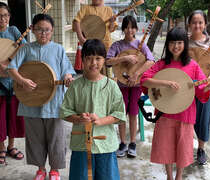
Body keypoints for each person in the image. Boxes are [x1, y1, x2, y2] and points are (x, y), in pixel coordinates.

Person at [140, 27, 210, 180]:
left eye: (179, 42)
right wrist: (165, 83)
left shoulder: (192, 66)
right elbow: (144, 80)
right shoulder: (161, 64)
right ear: (167, 44)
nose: (176, 46)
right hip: (164, 113)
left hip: (185, 114)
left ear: (185, 44)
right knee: (166, 146)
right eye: (172, 43)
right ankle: (169, 177)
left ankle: (178, 176)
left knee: (182, 148)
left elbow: (200, 89)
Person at [7, 14, 75, 180]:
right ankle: (40, 169)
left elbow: (67, 69)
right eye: (39, 30)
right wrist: (22, 81)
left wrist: (67, 76)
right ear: (33, 29)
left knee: (56, 138)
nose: (43, 33)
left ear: (52, 31)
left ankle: (54, 170)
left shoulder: (58, 49)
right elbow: (11, 68)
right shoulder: (25, 48)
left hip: (54, 102)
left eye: (47, 30)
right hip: (31, 102)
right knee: (35, 139)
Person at [60, 39, 126, 180]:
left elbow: (120, 114)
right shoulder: (76, 86)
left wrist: (101, 121)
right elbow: (65, 112)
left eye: (98, 58)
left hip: (105, 144)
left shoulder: (111, 86)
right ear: (82, 60)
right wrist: (79, 119)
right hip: (81, 144)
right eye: (89, 58)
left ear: (104, 60)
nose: (93, 63)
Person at [106, 15, 155, 158]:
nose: (129, 30)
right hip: (121, 84)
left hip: (136, 84)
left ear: (136, 29)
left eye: (132, 27)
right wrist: (124, 58)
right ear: (123, 29)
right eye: (126, 27)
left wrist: (136, 74)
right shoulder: (117, 45)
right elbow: (108, 61)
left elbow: (151, 61)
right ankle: (122, 143)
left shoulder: (141, 45)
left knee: (133, 112)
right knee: (121, 113)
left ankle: (132, 143)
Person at [188, 10, 210, 165]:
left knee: (203, 119)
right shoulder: (185, 42)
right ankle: (186, 147)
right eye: (194, 22)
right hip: (188, 88)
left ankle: (201, 149)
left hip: (206, 87)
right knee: (187, 119)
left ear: (205, 24)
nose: (197, 25)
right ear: (189, 24)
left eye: (200, 22)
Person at [0, 2, 26, 165]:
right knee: (0, 119)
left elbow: (23, 49)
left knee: (13, 117)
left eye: (5, 15)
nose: (2, 19)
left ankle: (11, 146)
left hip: (13, 82)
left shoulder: (14, 31)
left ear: (9, 17)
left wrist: (9, 63)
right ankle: (1, 147)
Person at [72, 0, 118, 76]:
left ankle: (106, 86)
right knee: (90, 70)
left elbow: (110, 29)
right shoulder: (85, 8)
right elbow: (77, 21)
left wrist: (112, 22)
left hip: (105, 45)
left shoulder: (108, 9)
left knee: (107, 73)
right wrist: (81, 38)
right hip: (90, 46)